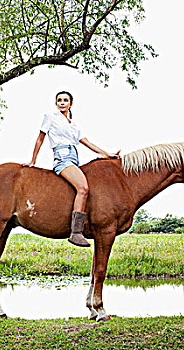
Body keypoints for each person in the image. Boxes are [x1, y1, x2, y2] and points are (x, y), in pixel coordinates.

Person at [23, 91, 120, 247]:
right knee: (83, 188)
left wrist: (106, 154)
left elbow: (87, 143)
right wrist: (33, 160)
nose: (62, 102)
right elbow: (40, 139)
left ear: (70, 104)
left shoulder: (73, 125)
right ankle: (76, 232)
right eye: (59, 100)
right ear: (56, 103)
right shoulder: (51, 118)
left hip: (74, 158)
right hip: (62, 159)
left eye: (65, 100)